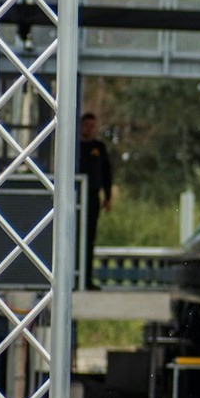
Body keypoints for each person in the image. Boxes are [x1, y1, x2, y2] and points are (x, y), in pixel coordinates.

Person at [77, 113, 113, 290]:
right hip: (75, 196)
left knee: (89, 238)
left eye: (92, 126)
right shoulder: (74, 146)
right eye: (86, 125)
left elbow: (107, 173)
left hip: (92, 197)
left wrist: (108, 197)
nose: (89, 129)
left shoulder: (99, 147)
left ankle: (87, 278)